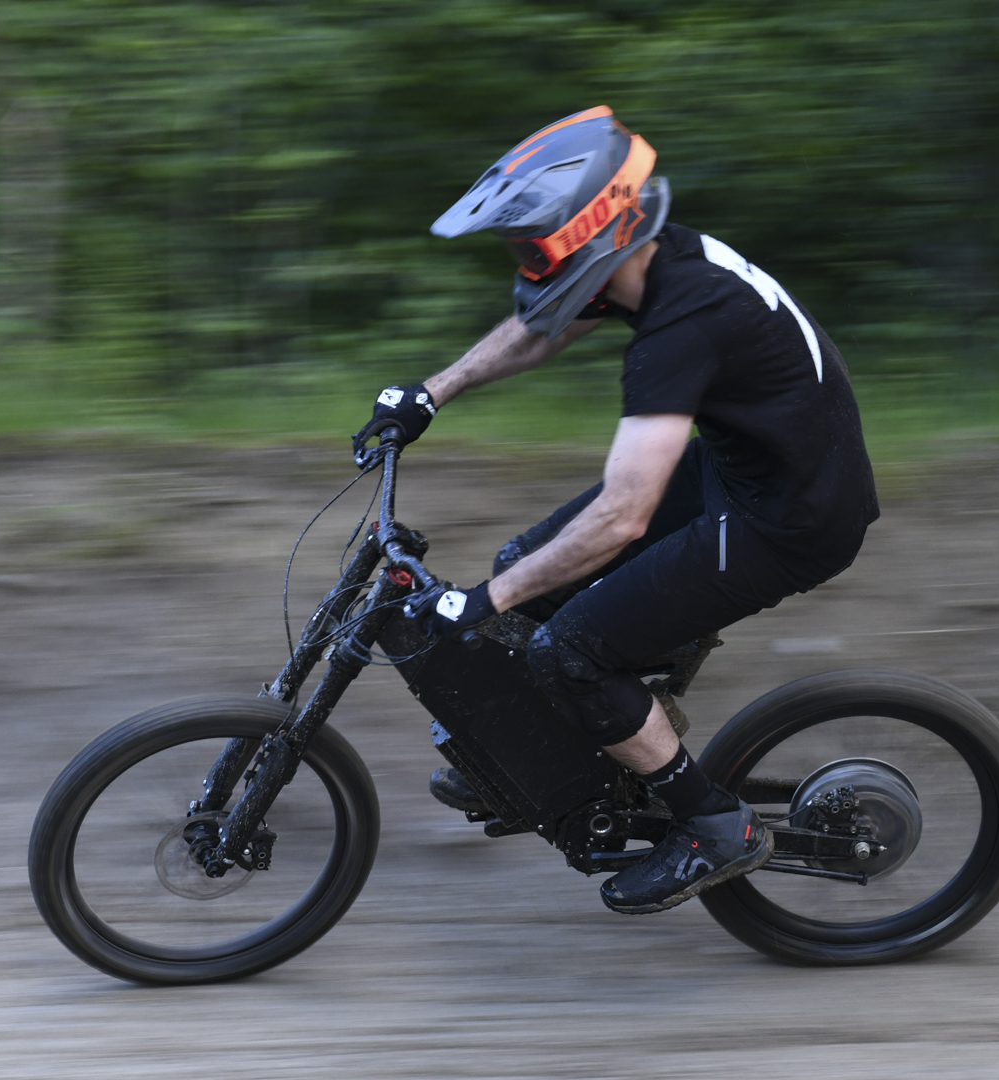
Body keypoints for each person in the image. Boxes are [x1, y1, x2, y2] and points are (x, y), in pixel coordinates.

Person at [353, 106, 879, 915]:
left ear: (590, 231)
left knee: (568, 651)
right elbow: (542, 329)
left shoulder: (680, 325)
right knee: (523, 574)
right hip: (751, 468)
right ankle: (563, 748)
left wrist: (481, 605)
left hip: (794, 515)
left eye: (530, 245)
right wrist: (434, 391)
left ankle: (710, 824)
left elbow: (623, 517)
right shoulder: (654, 260)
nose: (522, 262)